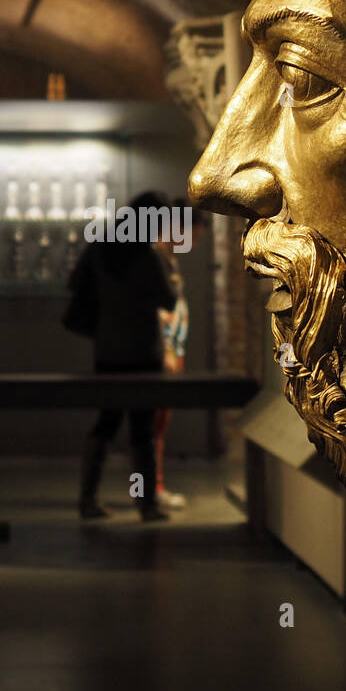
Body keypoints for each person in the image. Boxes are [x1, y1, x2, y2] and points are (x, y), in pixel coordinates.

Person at [67, 191, 177, 522]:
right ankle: (145, 505)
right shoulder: (147, 256)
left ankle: (87, 499)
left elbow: (74, 282)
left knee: (107, 420)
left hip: (108, 349)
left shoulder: (100, 248)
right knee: (142, 428)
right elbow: (169, 301)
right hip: (144, 350)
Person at [151, 199, 207, 511]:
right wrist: (167, 349)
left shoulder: (168, 260)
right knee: (154, 426)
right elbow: (158, 312)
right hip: (165, 353)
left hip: (172, 350)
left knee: (159, 425)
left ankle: (153, 488)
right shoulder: (156, 260)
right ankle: (152, 489)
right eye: (193, 236)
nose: (193, 244)